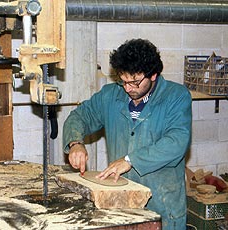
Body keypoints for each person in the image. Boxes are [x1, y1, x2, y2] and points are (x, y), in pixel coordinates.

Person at [63, 38, 192, 229]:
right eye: (123, 81)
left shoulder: (176, 97)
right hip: (121, 204)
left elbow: (176, 142)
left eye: (135, 82)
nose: (128, 88)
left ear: (153, 75)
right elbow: (79, 116)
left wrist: (130, 160)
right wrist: (75, 143)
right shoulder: (110, 95)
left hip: (163, 206)